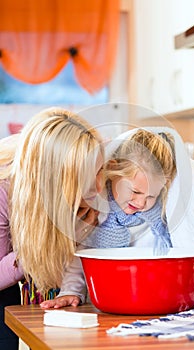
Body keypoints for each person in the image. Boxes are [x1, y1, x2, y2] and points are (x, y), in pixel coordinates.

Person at [41, 126, 194, 310]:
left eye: (151, 196)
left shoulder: (161, 213)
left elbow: (192, 210)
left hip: (154, 298)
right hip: (107, 301)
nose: (141, 203)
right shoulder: (97, 210)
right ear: (114, 172)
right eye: (135, 191)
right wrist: (70, 291)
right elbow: (80, 258)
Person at [0, 107, 104, 349]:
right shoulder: (4, 188)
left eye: (100, 170)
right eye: (88, 176)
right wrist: (50, 240)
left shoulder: (87, 172)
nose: (100, 187)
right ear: (56, 180)